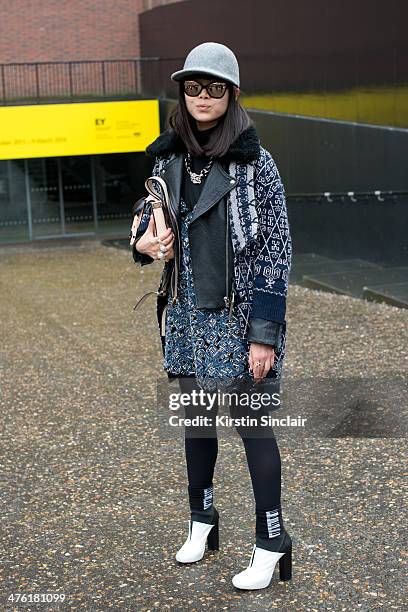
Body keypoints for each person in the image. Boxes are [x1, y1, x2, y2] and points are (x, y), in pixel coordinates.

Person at [132, 42, 293, 590]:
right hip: (182, 314)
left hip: (238, 317)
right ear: (182, 92)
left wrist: (265, 334)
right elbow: (144, 218)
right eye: (194, 87)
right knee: (196, 425)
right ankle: (203, 520)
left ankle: (272, 541)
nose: (202, 98)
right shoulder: (167, 157)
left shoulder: (256, 164)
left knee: (253, 430)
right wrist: (145, 244)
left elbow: (277, 252)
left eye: (214, 88)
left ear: (232, 95)